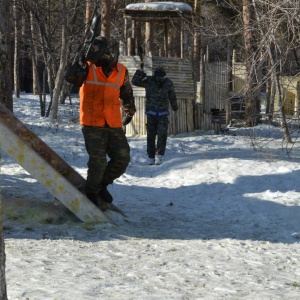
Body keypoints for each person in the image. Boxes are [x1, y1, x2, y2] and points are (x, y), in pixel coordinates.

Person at [65, 37, 136, 210]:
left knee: (123, 157)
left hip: (112, 123)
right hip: (91, 122)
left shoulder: (121, 70)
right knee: (98, 162)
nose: (92, 51)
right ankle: (91, 192)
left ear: (104, 50)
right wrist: (79, 62)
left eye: (95, 47)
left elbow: (126, 92)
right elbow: (71, 78)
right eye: (91, 47)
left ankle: (101, 184)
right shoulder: (87, 67)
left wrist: (130, 110)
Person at [131, 66, 178, 165]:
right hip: (151, 113)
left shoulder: (168, 83)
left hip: (163, 113)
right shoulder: (149, 81)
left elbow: (172, 95)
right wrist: (139, 72)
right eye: (158, 76)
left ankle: (159, 156)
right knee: (151, 136)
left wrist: (174, 106)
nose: (160, 78)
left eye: (162, 77)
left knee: (162, 135)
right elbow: (134, 82)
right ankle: (151, 157)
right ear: (155, 75)